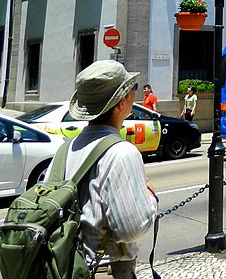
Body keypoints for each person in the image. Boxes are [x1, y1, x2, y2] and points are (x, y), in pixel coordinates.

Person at [45, 60, 157, 278]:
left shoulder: (65, 150)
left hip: (63, 267)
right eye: (132, 89)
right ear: (120, 104)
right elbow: (131, 229)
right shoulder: (122, 153)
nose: (135, 94)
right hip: (104, 269)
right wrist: (150, 195)